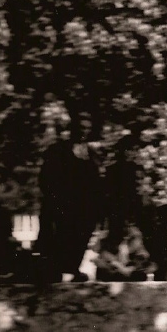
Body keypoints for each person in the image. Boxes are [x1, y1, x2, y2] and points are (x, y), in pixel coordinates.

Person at [37, 120, 105, 282]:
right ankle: (56, 272)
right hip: (63, 206)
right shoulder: (58, 150)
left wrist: (98, 207)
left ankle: (72, 269)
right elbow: (45, 178)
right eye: (81, 128)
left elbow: (98, 182)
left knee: (81, 236)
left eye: (88, 128)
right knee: (62, 237)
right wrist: (56, 199)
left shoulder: (92, 154)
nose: (84, 132)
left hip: (86, 207)